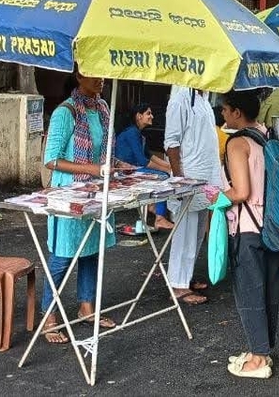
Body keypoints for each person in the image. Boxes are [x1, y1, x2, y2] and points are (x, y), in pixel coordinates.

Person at [40, 69, 117, 343]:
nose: (101, 78)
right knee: (63, 255)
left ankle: (87, 306)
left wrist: (115, 165)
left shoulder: (104, 108)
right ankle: (49, 315)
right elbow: (52, 159)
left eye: (103, 74)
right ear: (79, 77)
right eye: (94, 74)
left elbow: (103, 152)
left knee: (91, 251)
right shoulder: (66, 112)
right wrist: (93, 168)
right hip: (69, 192)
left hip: (94, 190)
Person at [217, 89, 279, 379]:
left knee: (250, 291)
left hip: (248, 227)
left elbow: (241, 192)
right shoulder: (266, 135)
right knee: (269, 290)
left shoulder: (238, 143)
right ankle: (262, 348)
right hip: (273, 224)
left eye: (224, 109)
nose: (222, 114)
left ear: (236, 112)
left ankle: (258, 359)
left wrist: (215, 197)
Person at [165, 86, 224, 305]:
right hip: (189, 175)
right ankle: (178, 284)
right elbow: (171, 142)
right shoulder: (180, 98)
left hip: (206, 176)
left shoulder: (203, 98)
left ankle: (185, 277)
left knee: (198, 231)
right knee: (185, 232)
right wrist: (179, 179)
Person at [114, 102, 175, 231]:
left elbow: (149, 155)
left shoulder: (138, 133)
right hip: (125, 171)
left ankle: (153, 207)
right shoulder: (132, 133)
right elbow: (143, 161)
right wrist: (166, 170)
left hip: (134, 169)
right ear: (139, 116)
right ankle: (160, 218)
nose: (152, 116)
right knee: (163, 177)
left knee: (166, 173)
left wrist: (170, 166)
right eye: (148, 113)